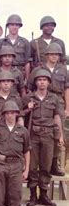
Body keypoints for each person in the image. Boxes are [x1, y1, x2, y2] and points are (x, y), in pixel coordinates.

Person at [24, 69, 64, 206]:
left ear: (48, 82)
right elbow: (21, 116)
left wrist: (59, 135)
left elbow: (57, 116)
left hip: (48, 135)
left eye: (44, 80)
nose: (42, 82)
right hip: (33, 135)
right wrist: (27, 108)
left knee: (46, 166)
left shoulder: (54, 99)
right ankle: (33, 195)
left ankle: (44, 194)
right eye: (39, 80)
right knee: (33, 166)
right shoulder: (29, 98)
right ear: (35, 82)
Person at [29, 43, 69, 176]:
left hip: (58, 101)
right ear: (46, 55)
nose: (54, 57)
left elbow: (67, 89)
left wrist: (67, 107)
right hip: (41, 101)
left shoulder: (63, 69)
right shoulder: (38, 69)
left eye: (57, 54)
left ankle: (53, 164)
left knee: (58, 133)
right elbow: (30, 87)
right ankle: (37, 165)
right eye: (52, 54)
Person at [0, 14, 31, 80]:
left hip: (20, 73)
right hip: (3, 73)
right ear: (8, 26)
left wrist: (27, 79)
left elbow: (27, 63)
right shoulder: (0, 42)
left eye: (17, 25)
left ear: (19, 26)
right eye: (12, 25)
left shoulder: (25, 42)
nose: (14, 27)